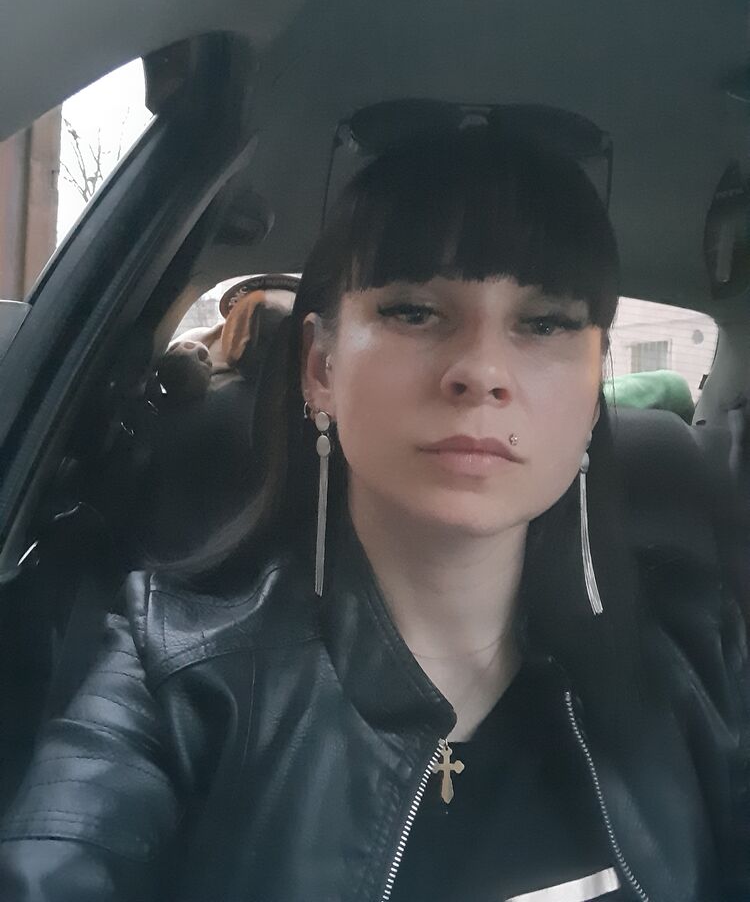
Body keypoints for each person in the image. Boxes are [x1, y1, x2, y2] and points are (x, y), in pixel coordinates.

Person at [0, 128, 747, 902]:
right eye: (415, 311)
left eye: (545, 323)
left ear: (594, 389)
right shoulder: (175, 679)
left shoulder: (703, 659)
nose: (481, 371)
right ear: (321, 369)